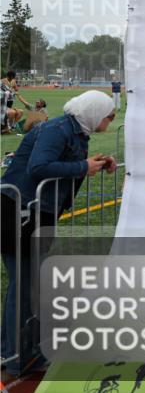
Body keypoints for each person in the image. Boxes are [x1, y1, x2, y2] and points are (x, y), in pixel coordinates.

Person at [1, 91, 117, 376]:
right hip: (20, 210)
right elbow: (39, 167)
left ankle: (20, 351)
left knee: (30, 283)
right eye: (109, 115)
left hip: (36, 211)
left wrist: (96, 163)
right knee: (25, 284)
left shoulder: (75, 131)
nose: (110, 121)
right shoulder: (57, 129)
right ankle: (16, 356)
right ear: (93, 111)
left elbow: (62, 162)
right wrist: (83, 166)